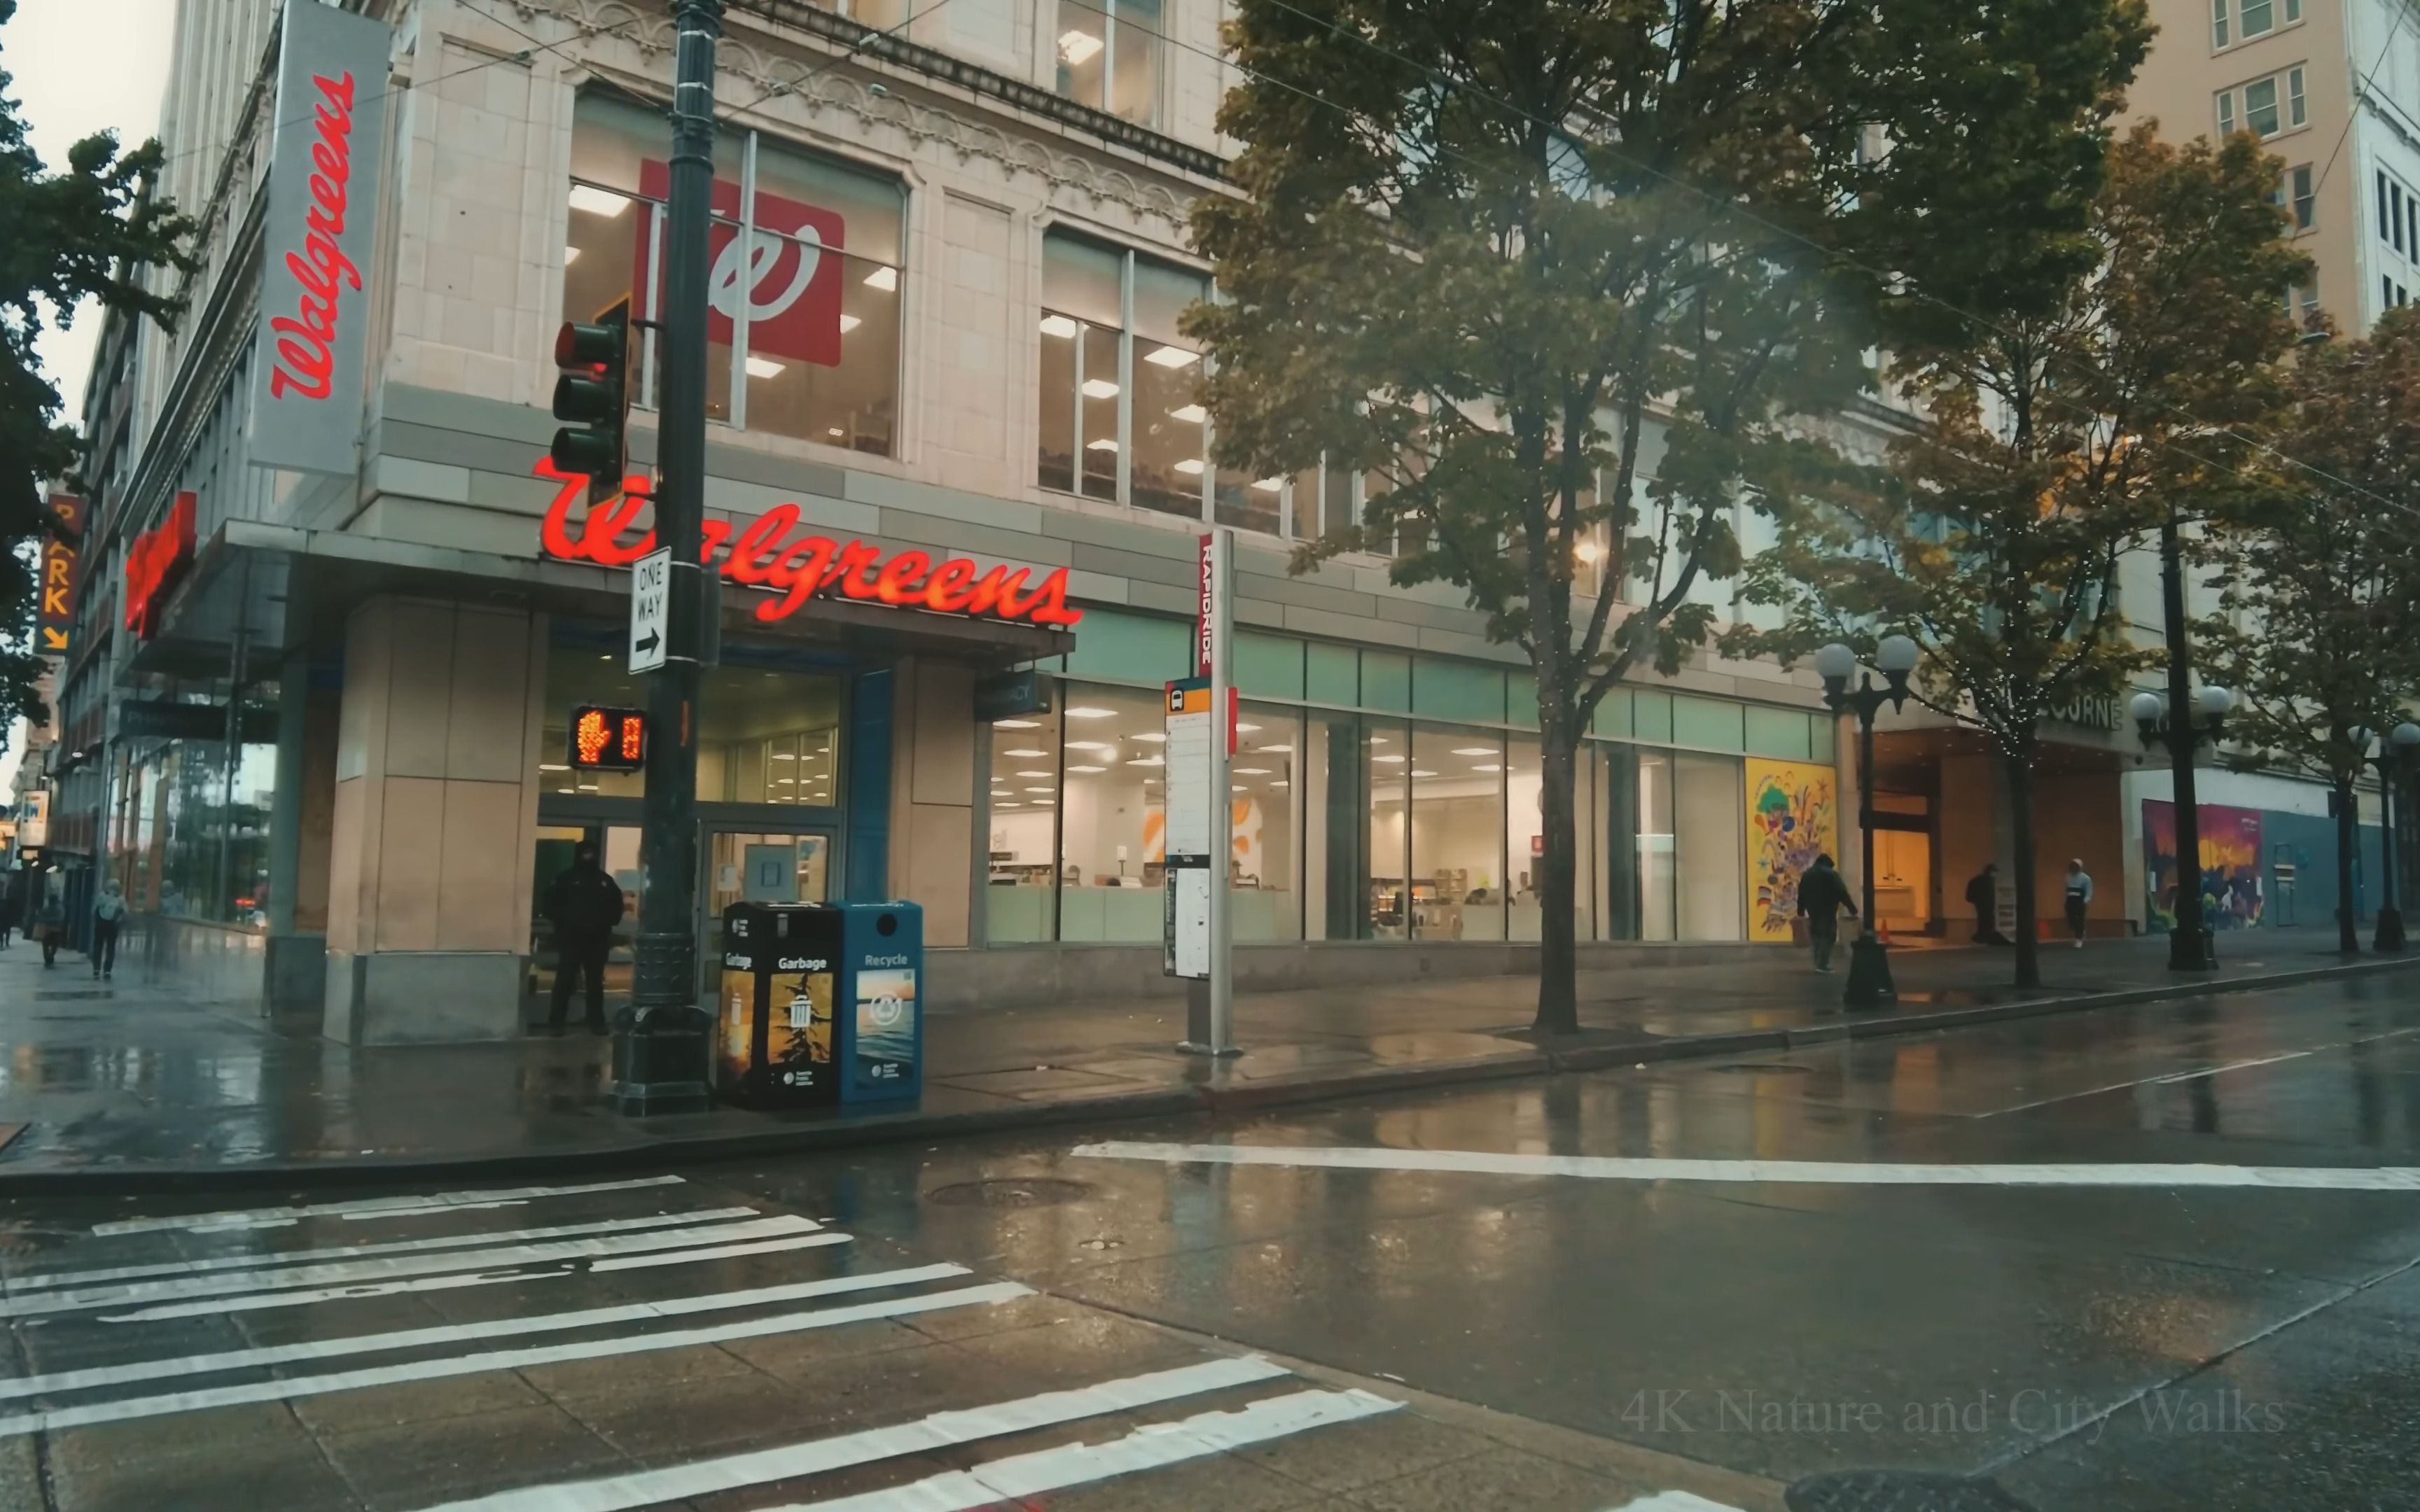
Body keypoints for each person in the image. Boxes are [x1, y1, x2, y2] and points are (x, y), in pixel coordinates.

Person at [544, 841, 625, 1035]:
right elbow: (548, 904)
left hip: (597, 940)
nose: (589, 857)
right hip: (571, 939)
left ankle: (596, 1022)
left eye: (591, 853)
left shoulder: (605, 881)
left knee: (595, 984)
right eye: (585, 854)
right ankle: (556, 1023)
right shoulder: (565, 879)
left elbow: (617, 905)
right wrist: (564, 922)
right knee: (564, 982)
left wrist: (609, 921)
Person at [1796, 853, 1856, 974]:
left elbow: (1801, 894)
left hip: (1812, 910)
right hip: (1828, 909)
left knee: (1816, 935)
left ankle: (1818, 962)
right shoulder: (1831, 874)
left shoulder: (1807, 875)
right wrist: (1852, 908)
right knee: (1828, 936)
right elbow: (1842, 892)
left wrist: (1801, 911)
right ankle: (1823, 964)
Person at [91, 879, 127, 981]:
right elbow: (125, 912)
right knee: (110, 948)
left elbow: (94, 909)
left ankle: (96, 969)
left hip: (100, 925)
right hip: (113, 926)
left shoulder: (102, 896)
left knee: (98, 946)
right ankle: (107, 970)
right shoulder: (121, 899)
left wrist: (95, 921)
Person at [1966, 863, 2009, 946]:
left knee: (1984, 919)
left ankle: (1982, 936)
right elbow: (1989, 894)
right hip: (1986, 904)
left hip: (1982, 904)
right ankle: (1984, 937)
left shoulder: (1981, 880)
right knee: (1987, 919)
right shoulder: (1987, 881)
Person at [32, 888, 66, 969]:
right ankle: (50, 956)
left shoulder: (46, 909)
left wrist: (46, 920)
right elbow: (61, 919)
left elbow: (40, 918)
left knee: (46, 945)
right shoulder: (60, 909)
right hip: (56, 930)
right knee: (54, 945)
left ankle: (48, 957)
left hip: (47, 930)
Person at [2064, 858, 2094, 948]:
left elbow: (2089, 891)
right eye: (2072, 866)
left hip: (2080, 901)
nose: (2074, 868)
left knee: (2079, 920)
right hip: (2070, 900)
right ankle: (2079, 931)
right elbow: (2066, 889)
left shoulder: (2086, 878)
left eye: (2076, 866)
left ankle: (2079, 939)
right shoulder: (2067, 877)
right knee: (2071, 920)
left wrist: (2085, 901)